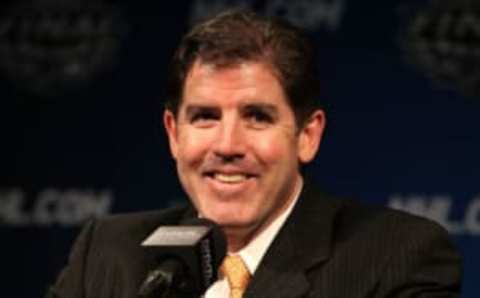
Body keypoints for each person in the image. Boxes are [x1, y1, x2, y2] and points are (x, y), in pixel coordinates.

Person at [50, 9, 462, 298]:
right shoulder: (107, 254)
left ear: (307, 135)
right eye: (205, 117)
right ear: (173, 134)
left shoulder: (396, 257)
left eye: (257, 117)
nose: (227, 145)